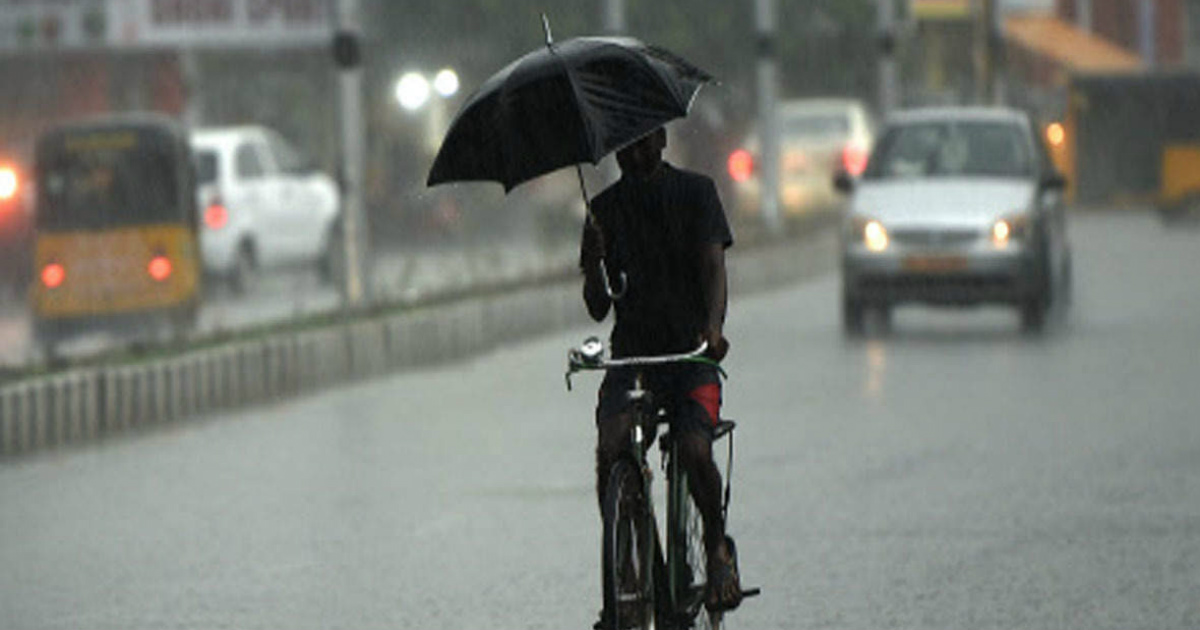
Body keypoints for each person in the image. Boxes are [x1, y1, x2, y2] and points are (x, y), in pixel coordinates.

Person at [579, 126, 742, 622]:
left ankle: (717, 550)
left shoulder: (696, 193)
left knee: (694, 449)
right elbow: (596, 308)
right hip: (634, 361)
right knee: (612, 447)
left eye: (644, 142)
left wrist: (713, 331)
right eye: (624, 145)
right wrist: (593, 261)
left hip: (691, 357)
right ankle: (628, 574)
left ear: (664, 140)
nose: (634, 152)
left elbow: (714, 270)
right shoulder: (602, 210)